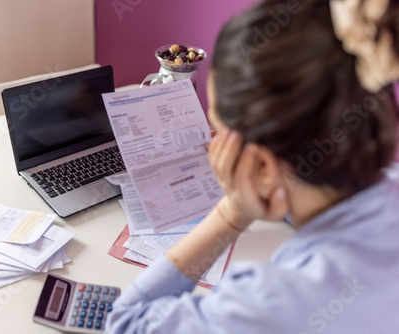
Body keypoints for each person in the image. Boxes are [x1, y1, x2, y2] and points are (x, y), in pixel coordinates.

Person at [105, 0, 399, 333]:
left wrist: (230, 214)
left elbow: (128, 322)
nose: (213, 145)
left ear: (261, 161)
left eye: (219, 130)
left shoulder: (266, 304)